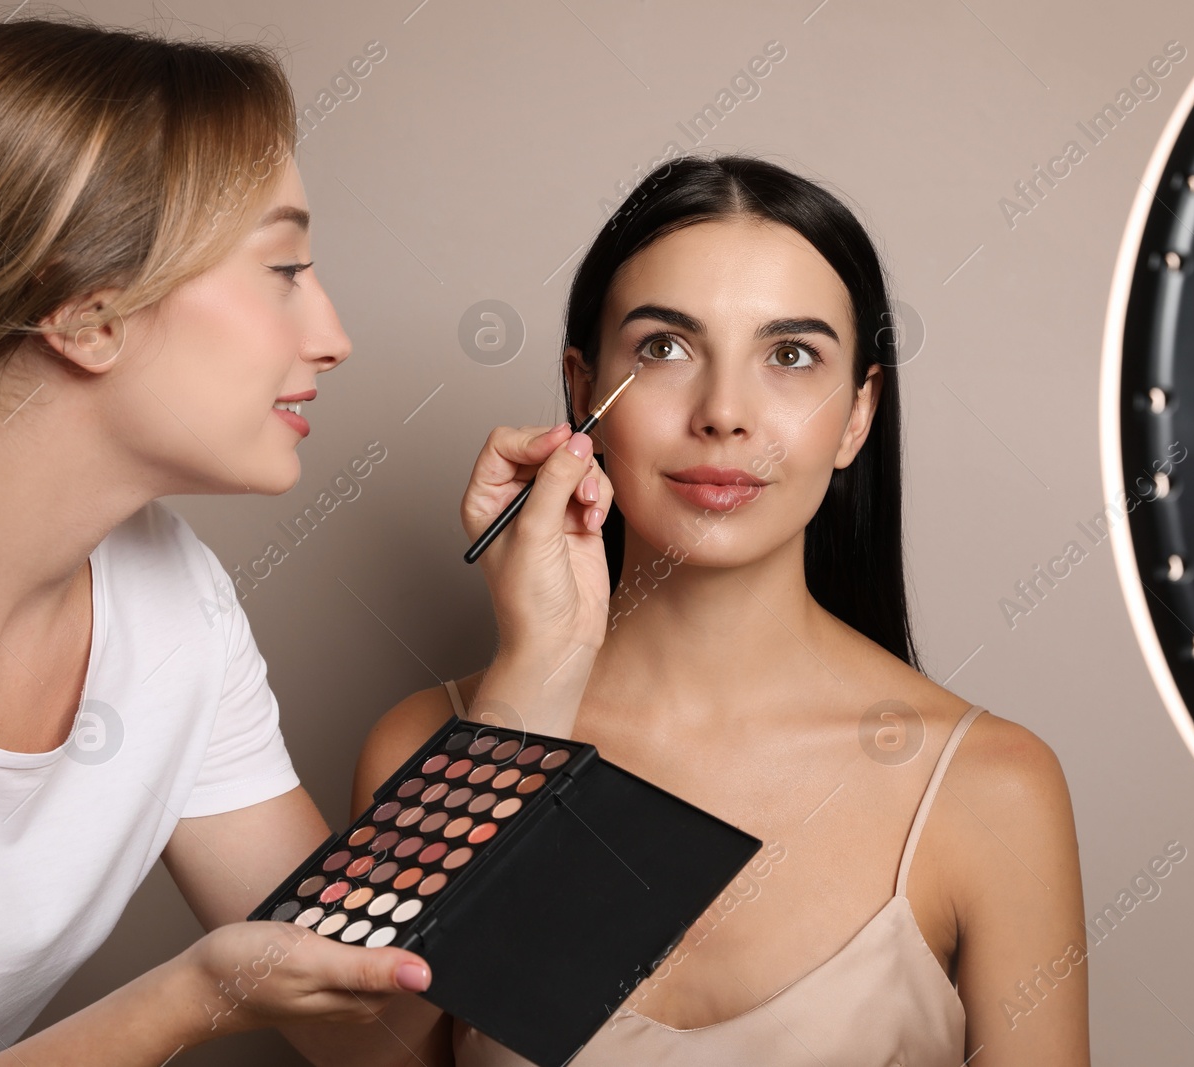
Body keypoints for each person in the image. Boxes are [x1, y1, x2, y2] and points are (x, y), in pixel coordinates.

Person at [0, 17, 613, 1066]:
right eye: (283, 269)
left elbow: (368, 1027)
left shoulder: (173, 600)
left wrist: (541, 668)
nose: (331, 334)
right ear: (87, 316)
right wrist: (186, 1000)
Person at [355, 155, 1091, 1065]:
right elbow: (362, 1049)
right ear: (582, 391)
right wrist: (528, 685)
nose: (725, 413)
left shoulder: (994, 787)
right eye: (665, 347)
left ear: (857, 414)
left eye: (790, 355)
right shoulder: (429, 746)